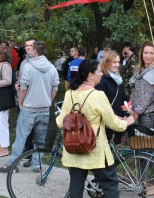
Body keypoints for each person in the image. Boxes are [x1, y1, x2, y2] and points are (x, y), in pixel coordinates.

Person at [56, 59, 136, 198]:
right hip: (95, 149)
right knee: (110, 186)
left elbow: (60, 122)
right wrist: (128, 121)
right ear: (90, 75)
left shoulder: (70, 94)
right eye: (99, 71)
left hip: (74, 148)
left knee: (75, 189)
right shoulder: (98, 96)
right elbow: (113, 123)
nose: (101, 74)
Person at [0, 41, 59, 172]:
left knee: (21, 137)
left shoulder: (28, 67)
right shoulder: (52, 67)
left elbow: (23, 86)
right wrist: (49, 100)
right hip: (44, 109)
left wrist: (20, 101)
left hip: (29, 108)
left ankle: (13, 164)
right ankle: (37, 164)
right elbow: (55, 87)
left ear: (35, 51)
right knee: (40, 139)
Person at [129, 41, 154, 196]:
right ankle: (142, 180)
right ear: (141, 54)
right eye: (145, 52)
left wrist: (136, 111)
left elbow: (148, 96)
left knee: (150, 150)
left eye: (151, 53)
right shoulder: (140, 70)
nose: (148, 55)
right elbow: (135, 91)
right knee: (140, 148)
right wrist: (130, 108)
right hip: (137, 113)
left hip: (148, 114)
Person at [95, 50, 127, 144]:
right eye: (114, 62)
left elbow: (123, 98)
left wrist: (125, 114)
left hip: (118, 121)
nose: (117, 65)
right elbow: (100, 103)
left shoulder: (119, 79)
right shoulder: (102, 80)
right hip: (106, 123)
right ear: (107, 62)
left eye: (118, 62)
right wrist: (113, 116)